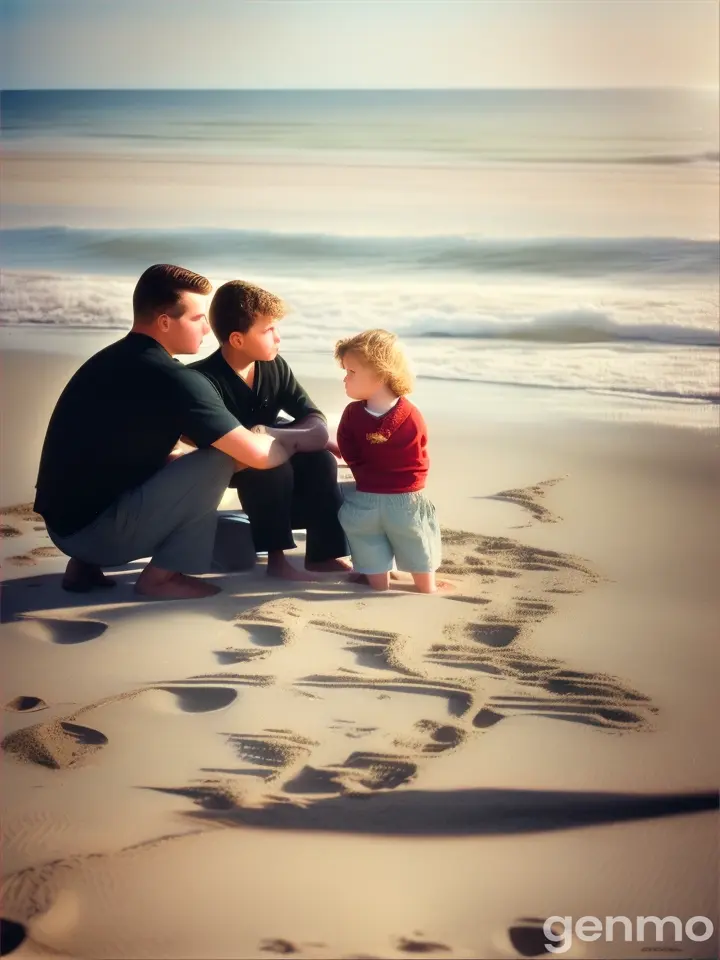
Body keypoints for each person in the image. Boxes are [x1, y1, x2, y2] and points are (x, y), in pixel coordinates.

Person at [34, 264, 297, 600]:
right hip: (98, 535)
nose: (207, 329)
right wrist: (291, 437)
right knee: (217, 460)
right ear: (164, 322)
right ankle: (161, 577)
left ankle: (84, 565)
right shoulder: (174, 379)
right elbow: (258, 455)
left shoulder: (106, 361)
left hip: (62, 527)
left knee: (173, 459)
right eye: (197, 318)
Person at [189, 280, 350, 581]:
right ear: (237, 339)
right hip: (227, 462)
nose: (278, 337)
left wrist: (276, 434)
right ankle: (276, 560)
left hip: (271, 448)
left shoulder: (274, 366)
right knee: (271, 467)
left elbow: (313, 417)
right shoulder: (202, 379)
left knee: (321, 460)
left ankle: (324, 554)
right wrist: (279, 439)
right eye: (268, 330)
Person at [334, 329, 445, 594]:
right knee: (417, 540)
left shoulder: (352, 414)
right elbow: (418, 455)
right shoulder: (411, 415)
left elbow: (347, 449)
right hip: (406, 500)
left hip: (365, 499)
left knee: (368, 541)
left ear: (381, 374)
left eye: (351, 372)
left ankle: (379, 585)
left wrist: (364, 473)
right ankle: (426, 587)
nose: (345, 379)